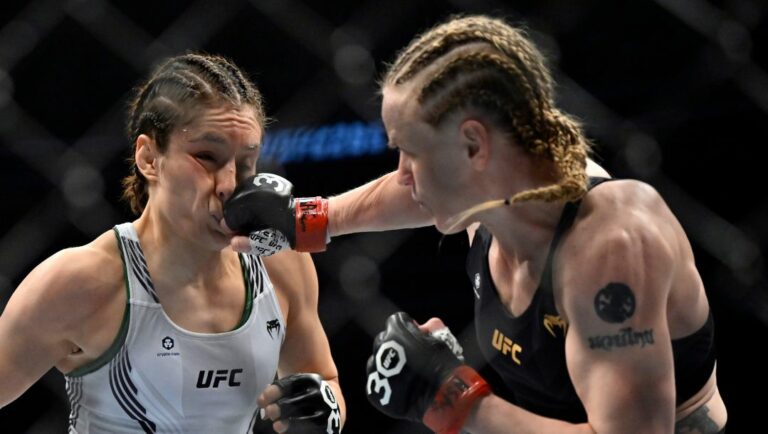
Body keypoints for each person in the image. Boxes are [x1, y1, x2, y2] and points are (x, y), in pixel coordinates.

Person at [223, 15, 726, 434]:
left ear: (472, 146)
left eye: (410, 151)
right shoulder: (488, 199)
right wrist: (307, 220)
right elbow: (413, 192)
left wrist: (452, 396)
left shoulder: (608, 249)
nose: (400, 172)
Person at [0, 53, 345, 434]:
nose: (230, 183)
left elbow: (326, 380)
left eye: (246, 163)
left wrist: (323, 407)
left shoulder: (279, 263)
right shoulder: (82, 281)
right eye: (207, 157)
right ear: (150, 158)